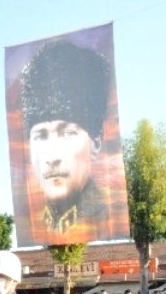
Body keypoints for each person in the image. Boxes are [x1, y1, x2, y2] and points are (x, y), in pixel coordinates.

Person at [18, 39, 126, 244]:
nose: (52, 157)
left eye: (67, 133)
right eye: (41, 135)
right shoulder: (35, 223)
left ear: (95, 143)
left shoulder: (107, 215)